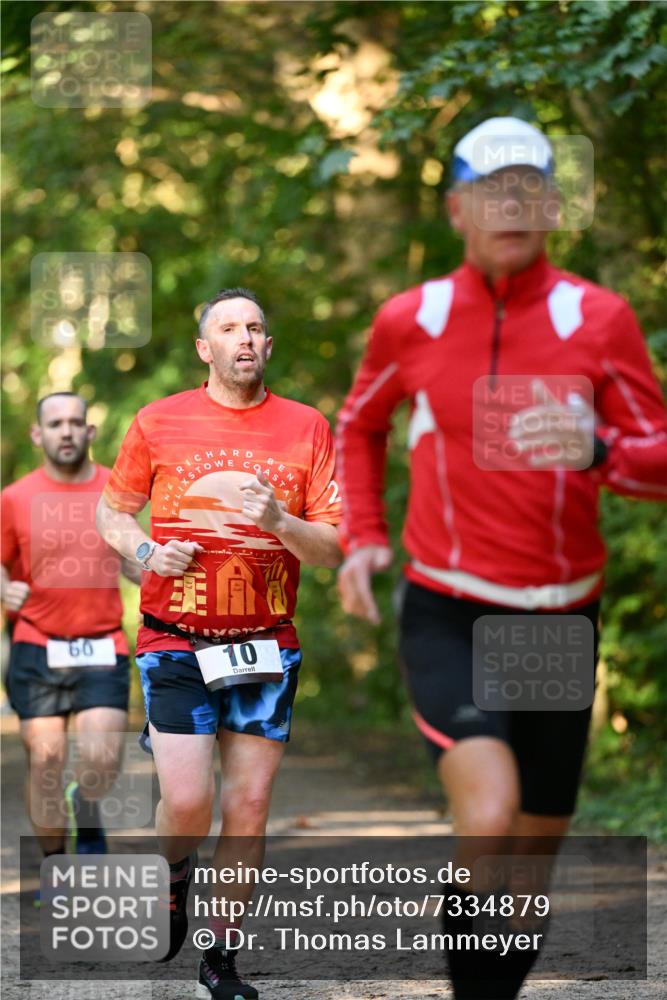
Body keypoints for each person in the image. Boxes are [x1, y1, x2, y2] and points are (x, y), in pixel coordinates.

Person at [336, 117, 667, 998]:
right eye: (493, 187)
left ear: (554, 205)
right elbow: (358, 426)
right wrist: (363, 536)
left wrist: (599, 450)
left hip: (560, 616)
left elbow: (659, 453)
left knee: (529, 857)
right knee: (485, 814)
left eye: (530, 186)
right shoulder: (412, 319)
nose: (512, 203)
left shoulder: (598, 319)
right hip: (452, 604)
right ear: (456, 207)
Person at [96, 287, 342, 999]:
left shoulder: (305, 428)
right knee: (187, 803)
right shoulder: (157, 421)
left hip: (266, 642)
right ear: (205, 348)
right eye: (228, 328)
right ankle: (176, 873)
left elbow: (328, 548)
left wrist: (279, 522)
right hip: (174, 637)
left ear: (268, 347)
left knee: (249, 807)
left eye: (256, 328)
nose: (244, 338)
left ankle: (220, 958)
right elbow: (113, 514)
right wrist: (144, 553)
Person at [1, 392, 140, 883]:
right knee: (46, 759)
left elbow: (132, 557)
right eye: (55, 423)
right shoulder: (15, 497)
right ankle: (57, 868)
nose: (66, 431)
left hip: (102, 645)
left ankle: (86, 804)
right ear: (38, 434)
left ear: (90, 432)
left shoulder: (115, 492)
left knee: (100, 760)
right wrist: (5, 587)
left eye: (75, 422)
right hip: (37, 645)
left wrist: (160, 572)